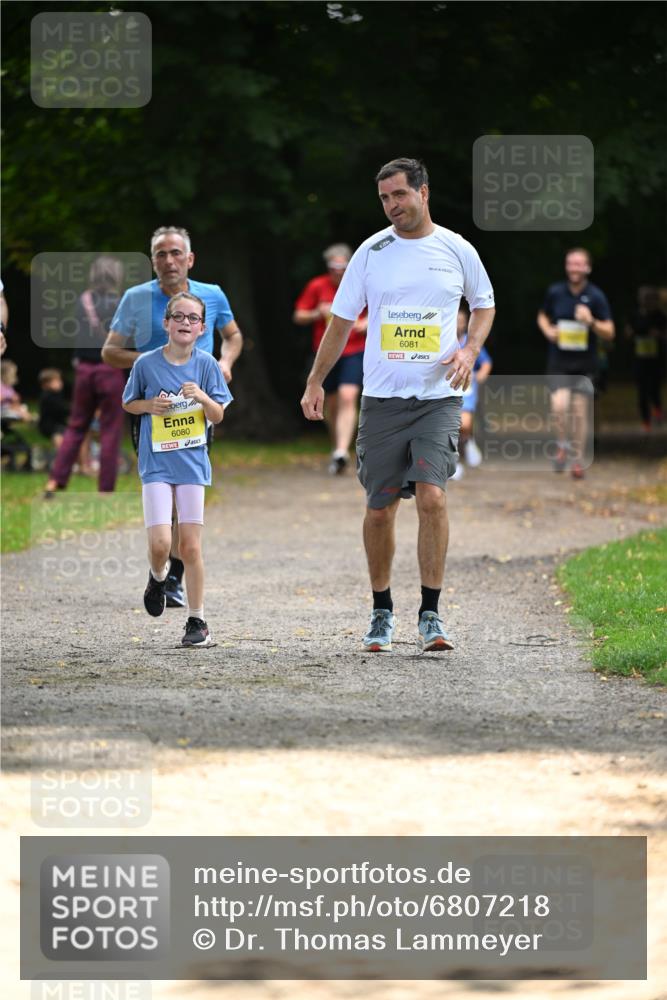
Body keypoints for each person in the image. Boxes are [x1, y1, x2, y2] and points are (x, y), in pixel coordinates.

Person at [301, 157, 495, 653]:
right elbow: (340, 321)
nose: (391, 206)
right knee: (381, 508)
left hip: (438, 399)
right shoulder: (372, 251)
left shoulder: (456, 249)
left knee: (432, 497)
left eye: (399, 195)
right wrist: (316, 381)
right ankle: (381, 610)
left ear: (423, 192)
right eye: (384, 198)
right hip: (383, 400)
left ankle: (430, 613)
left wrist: (469, 350)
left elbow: (485, 303)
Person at [102, 225, 243, 609]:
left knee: (187, 499)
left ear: (190, 259)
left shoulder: (210, 295)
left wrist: (224, 363)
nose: (169, 261)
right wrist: (158, 363)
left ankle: (174, 577)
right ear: (153, 261)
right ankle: (161, 566)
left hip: (194, 409)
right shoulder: (135, 298)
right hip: (153, 409)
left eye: (176, 253)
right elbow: (110, 352)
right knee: (164, 494)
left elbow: (233, 336)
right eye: (161, 254)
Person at [122, 291, 232, 647]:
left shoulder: (207, 364)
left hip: (192, 465)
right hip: (155, 464)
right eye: (179, 317)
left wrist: (201, 397)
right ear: (166, 323)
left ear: (202, 328)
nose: (186, 323)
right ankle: (157, 577)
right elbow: (129, 403)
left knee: (190, 547)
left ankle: (197, 621)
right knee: (160, 543)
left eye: (193, 319)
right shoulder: (146, 364)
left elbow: (218, 414)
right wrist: (150, 405)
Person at [44, 256, 127, 498]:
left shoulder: (84, 300)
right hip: (110, 370)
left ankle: (56, 480)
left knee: (76, 425)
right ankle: (106, 489)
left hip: (83, 370)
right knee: (110, 429)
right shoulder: (121, 303)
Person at [537, 248, 615, 479]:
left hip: (585, 363)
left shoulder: (597, 296)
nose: (574, 267)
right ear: (566, 266)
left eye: (579, 264)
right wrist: (548, 331)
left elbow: (610, 332)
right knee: (560, 407)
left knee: (580, 412)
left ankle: (578, 459)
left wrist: (591, 321)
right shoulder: (556, 292)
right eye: (571, 263)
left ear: (587, 268)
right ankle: (562, 445)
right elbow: (542, 315)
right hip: (559, 360)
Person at [293, 244, 368, 474]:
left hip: (355, 349)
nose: (338, 271)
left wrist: (365, 324)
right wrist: (318, 312)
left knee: (348, 396)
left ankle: (342, 451)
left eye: (342, 267)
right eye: (333, 267)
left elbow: (382, 310)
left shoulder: (361, 283)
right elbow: (298, 315)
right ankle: (337, 449)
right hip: (326, 352)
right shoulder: (317, 285)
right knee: (330, 404)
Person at [450, 304, 493, 480]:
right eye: (456, 320)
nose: (459, 324)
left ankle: (467, 441)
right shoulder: (443, 340)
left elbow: (486, 362)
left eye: (462, 321)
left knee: (464, 424)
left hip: (467, 388)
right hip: (446, 386)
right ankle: (454, 462)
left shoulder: (471, 341)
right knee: (449, 425)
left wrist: (481, 375)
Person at [625, 285, 666, 431]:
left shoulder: (660, 316)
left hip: (656, 359)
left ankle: (657, 408)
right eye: (642, 297)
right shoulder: (634, 314)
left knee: (654, 388)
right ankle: (646, 422)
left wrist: (658, 335)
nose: (645, 300)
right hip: (639, 359)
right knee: (641, 391)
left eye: (648, 298)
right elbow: (628, 332)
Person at [37, 368, 69, 449]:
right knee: (59, 432)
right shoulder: (48, 396)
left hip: (57, 423)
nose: (60, 383)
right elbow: (61, 409)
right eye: (57, 381)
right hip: (49, 425)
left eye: (60, 380)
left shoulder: (56, 394)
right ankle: (61, 454)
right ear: (46, 384)